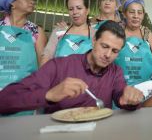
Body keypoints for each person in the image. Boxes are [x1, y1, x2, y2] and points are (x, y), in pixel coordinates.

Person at [0, 21, 144, 115]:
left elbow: (121, 96)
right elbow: (4, 100)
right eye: (104, 46)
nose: (107, 55)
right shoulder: (59, 66)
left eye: (115, 51)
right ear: (93, 41)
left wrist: (130, 99)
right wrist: (49, 95)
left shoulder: (115, 72)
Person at [0, 0, 47, 90]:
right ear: (13, 3)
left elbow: (42, 63)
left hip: (24, 90)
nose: (32, 2)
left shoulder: (36, 31)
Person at [114, 0, 152, 86]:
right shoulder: (117, 33)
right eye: (131, 12)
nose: (136, 16)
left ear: (143, 15)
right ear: (124, 14)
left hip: (145, 87)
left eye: (139, 12)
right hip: (119, 86)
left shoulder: (147, 34)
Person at [41, 0, 92, 66]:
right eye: (71, 9)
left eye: (79, 8)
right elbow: (47, 55)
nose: (75, 12)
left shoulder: (96, 34)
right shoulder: (59, 30)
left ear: (87, 11)